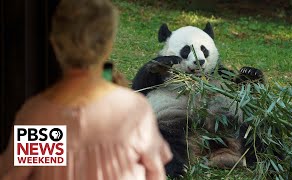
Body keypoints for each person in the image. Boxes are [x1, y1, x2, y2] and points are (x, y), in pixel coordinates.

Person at [0, 0, 172, 179]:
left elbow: (16, 174)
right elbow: (155, 172)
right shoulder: (134, 110)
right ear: (109, 45)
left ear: (55, 44)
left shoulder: (40, 114)